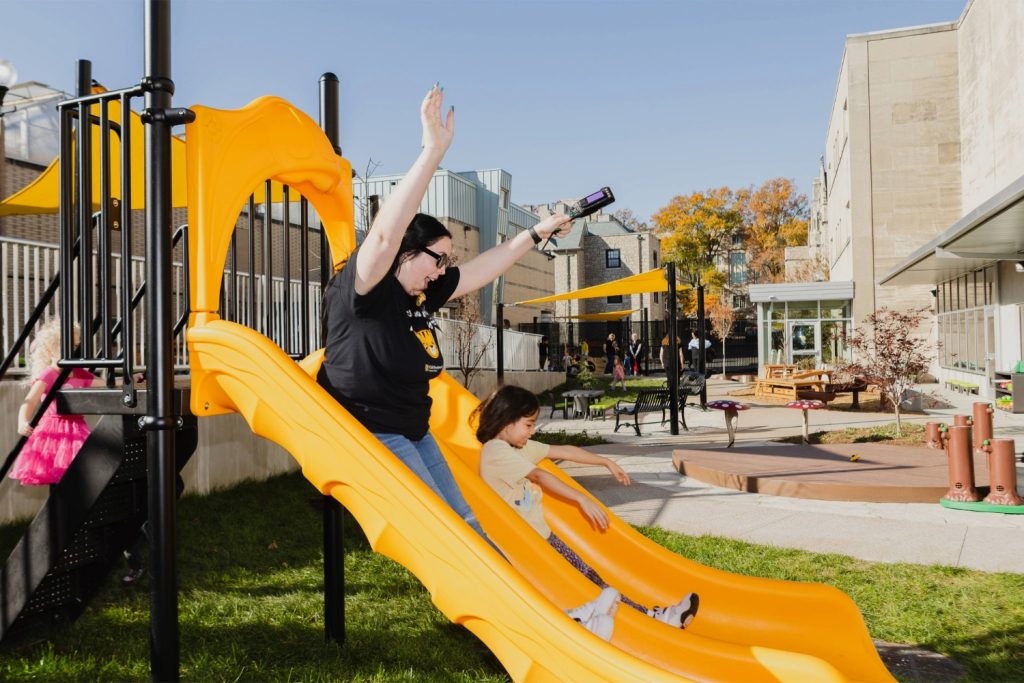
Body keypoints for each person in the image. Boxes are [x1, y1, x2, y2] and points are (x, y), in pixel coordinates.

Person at [318, 84, 573, 546]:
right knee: (445, 531)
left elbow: (482, 268)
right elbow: (381, 237)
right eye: (437, 258)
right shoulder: (364, 290)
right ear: (405, 252)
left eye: (446, 262)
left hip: (415, 428)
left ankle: (532, 609)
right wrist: (432, 152)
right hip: (374, 429)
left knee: (468, 525)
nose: (443, 271)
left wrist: (538, 232)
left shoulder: (420, 295)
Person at [474, 385, 700, 632]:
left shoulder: (516, 448)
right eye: (528, 424)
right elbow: (539, 476)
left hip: (541, 538)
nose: (532, 430)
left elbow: (563, 451)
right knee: (585, 581)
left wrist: (604, 461)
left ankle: (646, 616)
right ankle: (645, 618)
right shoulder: (494, 451)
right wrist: (582, 499)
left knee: (589, 578)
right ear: (507, 422)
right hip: (528, 545)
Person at [10, 318, 102, 486]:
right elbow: (29, 401)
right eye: (72, 346)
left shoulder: (79, 373)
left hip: (76, 427)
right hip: (52, 430)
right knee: (58, 471)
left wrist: (133, 379)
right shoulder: (49, 375)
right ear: (51, 349)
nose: (76, 350)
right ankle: (60, 507)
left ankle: (72, 507)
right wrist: (22, 421)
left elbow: (106, 383)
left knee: (79, 473)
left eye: (77, 346)